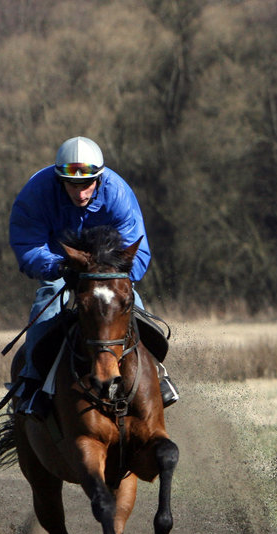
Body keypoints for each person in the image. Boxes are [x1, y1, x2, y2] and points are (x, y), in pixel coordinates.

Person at [9, 136, 179, 417]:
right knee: (48, 302)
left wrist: (114, 275)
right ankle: (31, 382)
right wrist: (59, 267)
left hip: (107, 270)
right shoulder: (35, 193)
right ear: (58, 178)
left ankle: (158, 375)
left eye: (87, 184)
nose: (80, 193)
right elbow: (27, 245)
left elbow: (137, 249)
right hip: (60, 266)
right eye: (72, 185)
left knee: (131, 302)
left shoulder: (118, 193)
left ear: (99, 178)